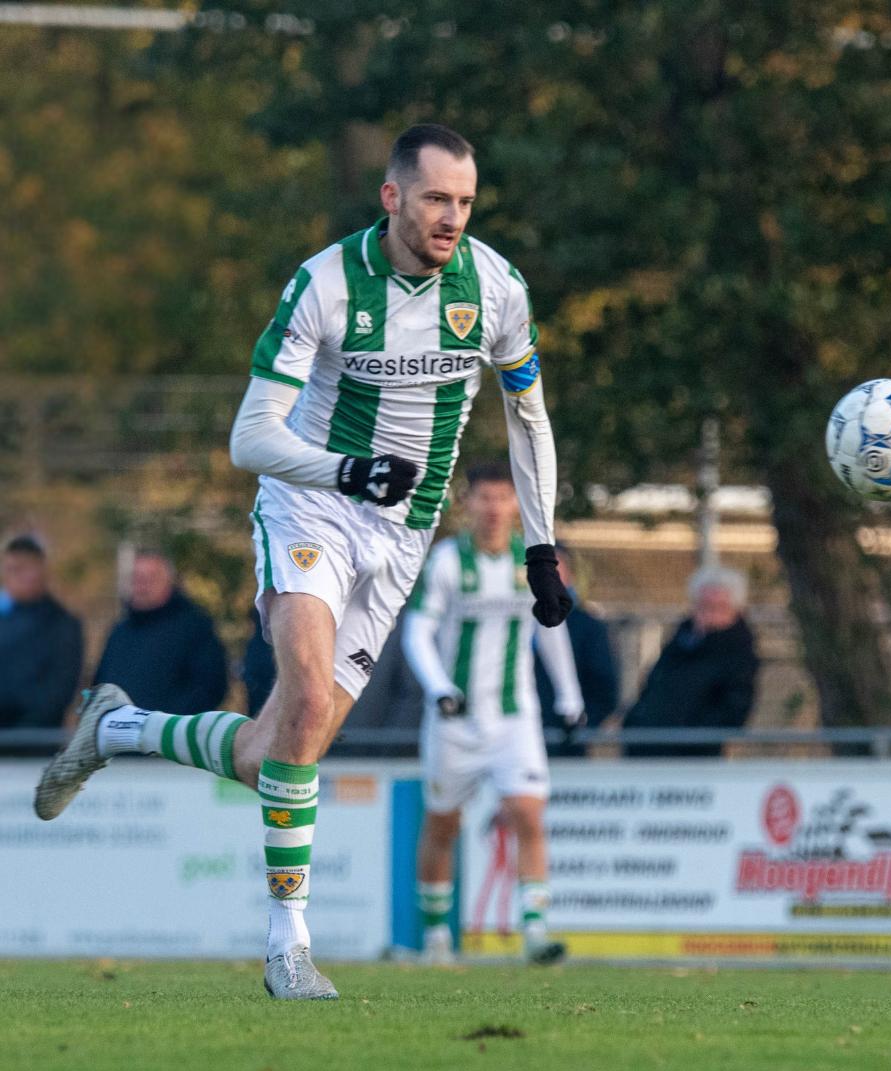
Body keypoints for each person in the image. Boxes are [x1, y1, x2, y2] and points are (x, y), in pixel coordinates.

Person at [32, 123, 572, 1000]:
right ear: (392, 197)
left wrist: (541, 545)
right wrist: (343, 468)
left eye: (466, 202)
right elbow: (252, 436)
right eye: (437, 198)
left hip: (401, 538)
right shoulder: (327, 283)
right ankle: (290, 945)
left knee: (276, 752)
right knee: (311, 698)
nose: (453, 219)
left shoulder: (498, 289)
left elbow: (530, 421)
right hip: (311, 501)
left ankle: (116, 728)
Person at [404, 461, 584, 966]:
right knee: (442, 827)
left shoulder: (531, 561)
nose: (494, 508)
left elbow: (552, 626)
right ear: (468, 504)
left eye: (504, 498)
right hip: (454, 720)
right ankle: (436, 939)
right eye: (484, 498)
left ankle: (535, 931)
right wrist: (439, 687)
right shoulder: (445, 561)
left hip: (513, 717)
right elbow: (417, 630)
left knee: (528, 813)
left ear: (515, 504)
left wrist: (569, 697)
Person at [623, 564, 758, 757]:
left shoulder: (738, 654)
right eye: (704, 606)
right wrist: (634, 723)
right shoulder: (680, 643)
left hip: (692, 762)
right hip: (646, 753)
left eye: (719, 608)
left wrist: (691, 737)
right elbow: (652, 688)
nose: (709, 616)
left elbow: (733, 710)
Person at [94, 552, 230, 716]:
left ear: (169, 582)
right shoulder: (119, 631)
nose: (142, 586)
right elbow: (101, 682)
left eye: (150, 579)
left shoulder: (194, 628)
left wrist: (167, 723)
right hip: (117, 735)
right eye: (137, 579)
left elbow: (210, 685)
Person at [536, 545, 620, 757]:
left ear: (569, 576)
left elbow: (604, 688)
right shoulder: (510, 624)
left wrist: (577, 726)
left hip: (562, 748)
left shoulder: (587, 627)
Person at [0, 536, 84, 744]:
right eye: (9, 570)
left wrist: (17, 739)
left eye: (20, 569)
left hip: (34, 747)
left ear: (40, 570)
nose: (13, 577)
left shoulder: (62, 626)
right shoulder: (5, 620)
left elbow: (56, 695)